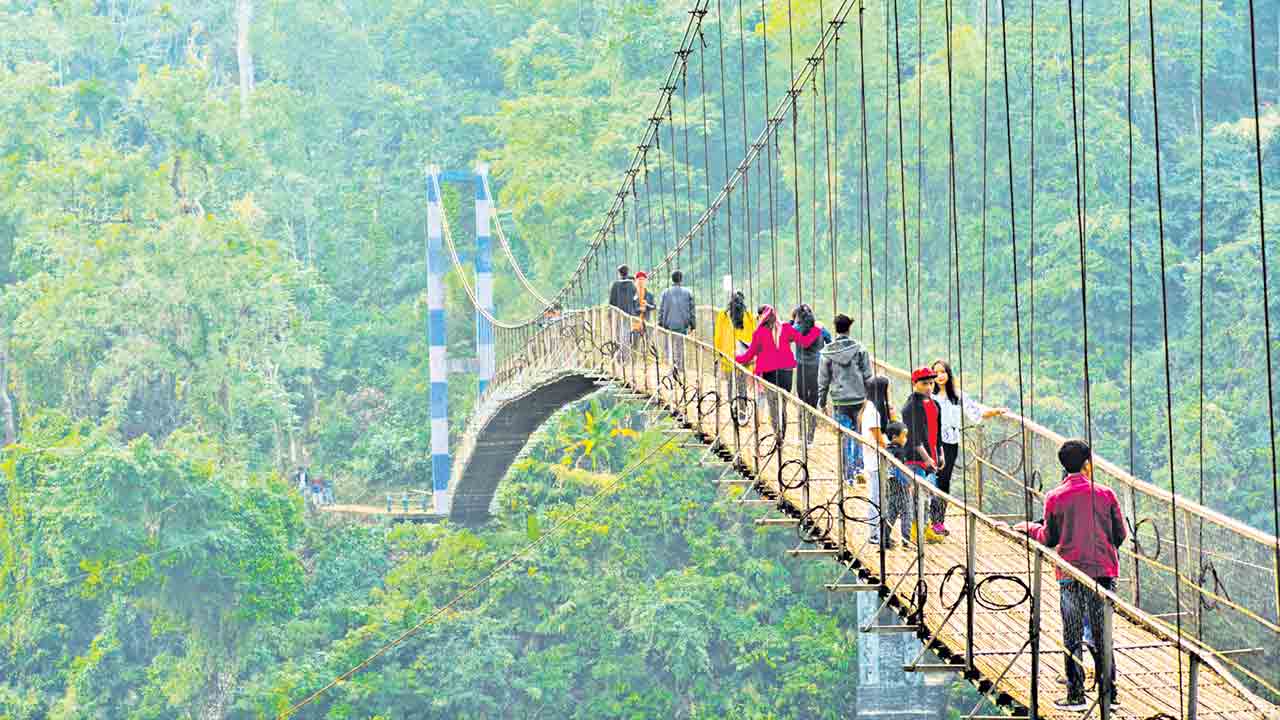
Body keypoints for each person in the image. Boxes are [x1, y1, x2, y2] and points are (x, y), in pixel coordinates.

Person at [1011, 439, 1127, 712]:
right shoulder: (1106, 494)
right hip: (1103, 574)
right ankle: (1109, 695)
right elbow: (1119, 535)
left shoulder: (1055, 497)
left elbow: (1049, 538)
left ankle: (1076, 696)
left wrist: (1028, 528)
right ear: (1088, 463)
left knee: (1072, 633)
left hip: (1071, 574)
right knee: (1103, 634)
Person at [929, 359, 1006, 536]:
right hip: (931, 442)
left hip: (950, 444)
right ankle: (926, 520)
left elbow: (976, 410)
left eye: (943, 372)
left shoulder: (957, 396)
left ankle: (937, 521)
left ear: (948, 374)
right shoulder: (930, 396)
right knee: (930, 479)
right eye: (936, 372)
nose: (940, 376)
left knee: (943, 481)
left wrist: (995, 411)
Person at [735, 304, 822, 439]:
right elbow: (805, 342)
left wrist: (734, 357)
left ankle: (778, 435)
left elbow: (748, 356)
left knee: (773, 404)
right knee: (783, 404)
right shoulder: (786, 328)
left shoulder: (759, 333)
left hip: (769, 374)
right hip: (787, 373)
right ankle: (783, 432)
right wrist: (816, 329)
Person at [818, 313, 873, 475]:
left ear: (835, 328)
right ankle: (858, 470)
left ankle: (846, 474)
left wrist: (822, 403)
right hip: (858, 399)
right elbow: (868, 375)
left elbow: (823, 380)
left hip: (839, 401)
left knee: (843, 437)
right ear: (849, 328)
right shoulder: (860, 349)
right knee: (858, 434)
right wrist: (870, 399)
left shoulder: (827, 352)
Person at [900, 367, 944, 545]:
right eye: (924, 383)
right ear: (915, 384)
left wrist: (940, 453)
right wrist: (927, 458)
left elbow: (937, 432)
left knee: (927, 496)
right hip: (915, 458)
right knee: (918, 497)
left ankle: (924, 529)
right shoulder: (910, 407)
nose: (929, 387)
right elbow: (914, 437)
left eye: (931, 383)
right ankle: (913, 531)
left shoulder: (934, 404)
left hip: (931, 456)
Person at [788, 304, 830, 442]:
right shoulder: (821, 329)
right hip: (817, 368)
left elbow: (787, 335)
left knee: (802, 401)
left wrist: (792, 321)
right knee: (813, 402)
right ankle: (810, 437)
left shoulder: (797, 329)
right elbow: (830, 342)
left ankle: (801, 436)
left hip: (802, 368)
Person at [861, 376, 892, 542]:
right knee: (876, 496)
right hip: (875, 461)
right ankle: (874, 533)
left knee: (879, 495)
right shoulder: (872, 411)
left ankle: (878, 532)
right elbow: (880, 439)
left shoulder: (872, 408)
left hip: (875, 460)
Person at [714, 290, 757, 403]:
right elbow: (754, 337)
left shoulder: (722, 316)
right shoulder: (749, 317)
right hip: (743, 358)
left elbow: (718, 337)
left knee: (730, 384)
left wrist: (718, 353)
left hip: (728, 357)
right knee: (742, 386)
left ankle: (732, 408)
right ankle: (742, 411)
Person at [878, 421, 914, 548]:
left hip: (889, 483)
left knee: (891, 512)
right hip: (901, 484)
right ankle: (906, 540)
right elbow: (898, 470)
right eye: (903, 436)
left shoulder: (887, 450)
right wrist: (908, 483)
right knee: (907, 512)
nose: (906, 439)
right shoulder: (899, 452)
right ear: (894, 437)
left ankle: (885, 539)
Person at [658, 270, 696, 371]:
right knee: (680, 347)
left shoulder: (665, 292)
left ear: (672, 279)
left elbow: (661, 309)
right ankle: (680, 368)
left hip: (668, 325)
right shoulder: (688, 292)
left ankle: (671, 367)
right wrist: (693, 325)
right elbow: (692, 310)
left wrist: (660, 323)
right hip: (682, 326)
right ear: (681, 279)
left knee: (669, 347)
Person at [608, 265, 636, 360]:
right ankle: (626, 357)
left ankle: (619, 357)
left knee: (618, 335)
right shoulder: (632, 285)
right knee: (627, 335)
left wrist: (610, 314)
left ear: (619, 273)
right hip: (629, 315)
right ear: (627, 272)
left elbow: (611, 302)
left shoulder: (615, 285)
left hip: (618, 315)